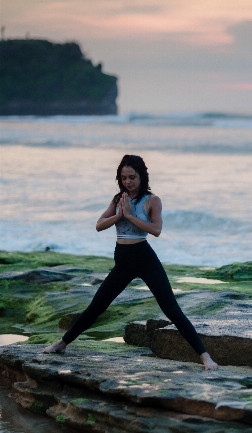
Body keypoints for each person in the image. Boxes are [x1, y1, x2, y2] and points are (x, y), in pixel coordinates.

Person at [43, 154, 218, 370]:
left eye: (132, 177)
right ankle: (62, 343)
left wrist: (130, 216)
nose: (128, 182)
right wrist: (118, 215)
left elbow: (156, 230)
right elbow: (99, 225)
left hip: (144, 258)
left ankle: (205, 357)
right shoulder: (119, 199)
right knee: (97, 306)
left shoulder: (152, 200)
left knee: (171, 309)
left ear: (142, 176)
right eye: (124, 178)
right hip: (123, 261)